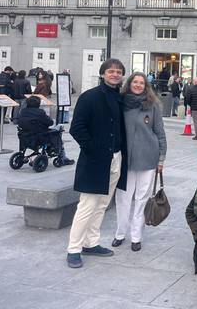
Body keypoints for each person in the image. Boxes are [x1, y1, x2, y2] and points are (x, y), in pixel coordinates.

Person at [66, 59, 128, 269]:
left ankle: (91, 243)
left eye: (118, 72)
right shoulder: (89, 97)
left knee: (102, 204)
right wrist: (93, 149)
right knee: (87, 205)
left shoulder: (120, 98)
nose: (115, 74)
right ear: (102, 74)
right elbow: (77, 128)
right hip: (95, 160)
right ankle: (74, 248)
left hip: (116, 158)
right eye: (111, 71)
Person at [112, 72, 167, 252]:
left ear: (146, 86)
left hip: (148, 158)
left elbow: (159, 132)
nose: (138, 85)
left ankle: (136, 236)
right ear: (129, 84)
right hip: (125, 159)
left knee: (142, 198)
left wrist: (161, 158)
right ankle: (120, 233)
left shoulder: (152, 106)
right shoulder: (120, 103)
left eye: (141, 83)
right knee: (123, 198)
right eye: (135, 82)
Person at [17, 95, 74, 165]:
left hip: (25, 136)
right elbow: (50, 122)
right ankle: (63, 157)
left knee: (48, 131)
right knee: (58, 131)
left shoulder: (23, 111)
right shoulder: (40, 112)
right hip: (39, 137)